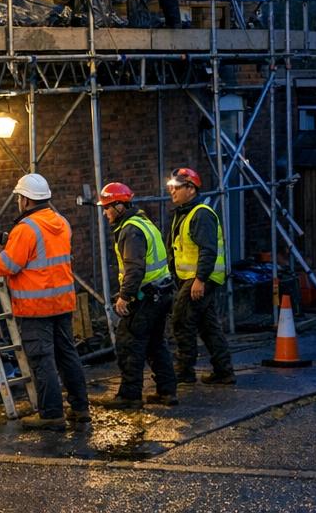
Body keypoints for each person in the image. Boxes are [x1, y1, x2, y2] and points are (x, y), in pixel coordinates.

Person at [0, 172, 90, 430]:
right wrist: (1, 237)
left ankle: (52, 414)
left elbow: (6, 264)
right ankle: (80, 408)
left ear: (25, 200)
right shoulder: (61, 222)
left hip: (35, 309)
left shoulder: (26, 229)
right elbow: (38, 248)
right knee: (67, 356)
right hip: (62, 304)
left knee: (42, 361)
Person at [97, 181, 178, 409]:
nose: (105, 213)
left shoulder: (130, 230)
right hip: (160, 294)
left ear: (120, 206)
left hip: (146, 297)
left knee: (129, 343)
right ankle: (167, 391)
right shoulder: (143, 223)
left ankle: (130, 395)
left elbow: (134, 268)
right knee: (155, 344)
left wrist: (125, 296)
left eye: (107, 207)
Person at [166, 167, 236, 385]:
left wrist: (200, 280)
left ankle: (184, 370)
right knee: (208, 325)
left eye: (177, 188)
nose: (172, 192)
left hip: (199, 279)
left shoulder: (201, 214)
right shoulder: (185, 213)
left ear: (191, 189)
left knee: (182, 319)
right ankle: (223, 371)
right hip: (193, 278)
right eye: (171, 188)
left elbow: (208, 250)